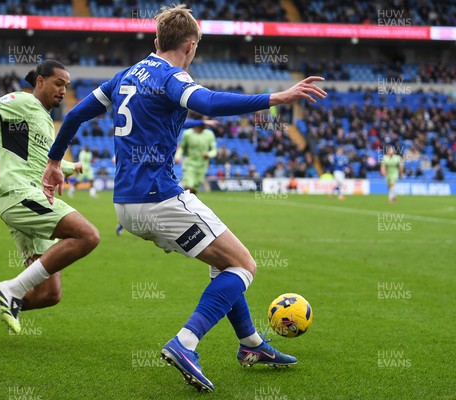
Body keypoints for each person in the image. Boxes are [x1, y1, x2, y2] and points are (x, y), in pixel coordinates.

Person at [41, 5, 326, 392]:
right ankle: (186, 343)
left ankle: (251, 344)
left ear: (156, 41)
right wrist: (277, 97)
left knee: (221, 262)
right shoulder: (172, 77)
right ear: (190, 46)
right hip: (160, 198)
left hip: (126, 205)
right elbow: (206, 103)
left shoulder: (125, 76)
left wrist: (54, 162)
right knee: (243, 267)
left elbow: (73, 116)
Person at [0, 60, 98, 339]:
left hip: (31, 197)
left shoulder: (44, 118)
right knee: (88, 236)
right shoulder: (22, 101)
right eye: (58, 83)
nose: (63, 90)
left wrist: (68, 168)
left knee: (49, 294)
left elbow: (36, 159)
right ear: (40, 81)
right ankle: (10, 289)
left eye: (67, 86)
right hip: (20, 194)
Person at [174, 120, 216, 194]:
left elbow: (214, 150)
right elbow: (182, 147)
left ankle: (189, 203)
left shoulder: (209, 134)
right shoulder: (187, 134)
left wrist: (209, 154)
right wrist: (177, 157)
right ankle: (186, 202)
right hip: (189, 163)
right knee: (189, 186)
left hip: (202, 165)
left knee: (195, 187)